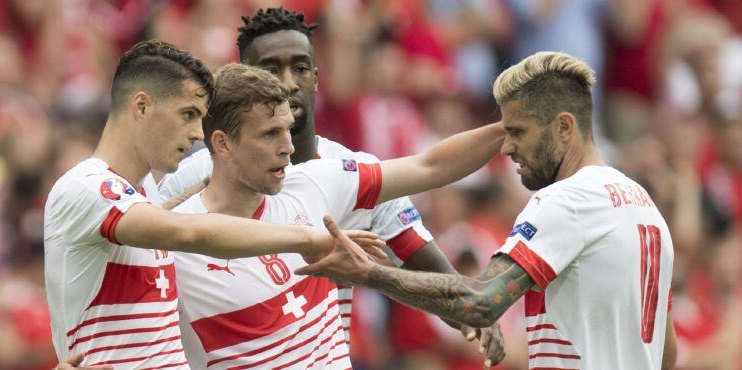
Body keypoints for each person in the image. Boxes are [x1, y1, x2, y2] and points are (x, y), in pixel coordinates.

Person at [157, 7, 504, 360]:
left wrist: (470, 309)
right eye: (271, 70)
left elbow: (431, 172)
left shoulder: (346, 176)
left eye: (301, 68)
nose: (289, 83)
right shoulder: (190, 180)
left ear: (317, 77)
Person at [297, 51, 679, 370]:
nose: (506, 148)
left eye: (518, 132)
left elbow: (479, 302)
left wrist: (367, 273)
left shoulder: (565, 201)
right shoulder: (646, 209)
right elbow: (666, 353)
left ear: (564, 126)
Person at [44, 40, 383, 369]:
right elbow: (189, 233)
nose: (196, 134)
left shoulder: (146, 195)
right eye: (188, 115)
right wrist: (308, 239)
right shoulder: (85, 187)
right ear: (142, 106)